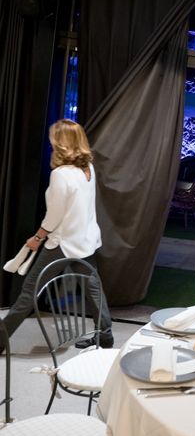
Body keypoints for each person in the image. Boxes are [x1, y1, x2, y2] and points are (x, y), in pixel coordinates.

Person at [2, 119, 113, 350]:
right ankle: (105, 338)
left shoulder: (61, 174)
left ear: (62, 143)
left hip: (63, 243)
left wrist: (37, 238)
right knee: (93, 289)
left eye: (54, 138)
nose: (51, 141)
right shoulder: (88, 169)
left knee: (29, 293)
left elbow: (54, 216)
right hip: (86, 239)